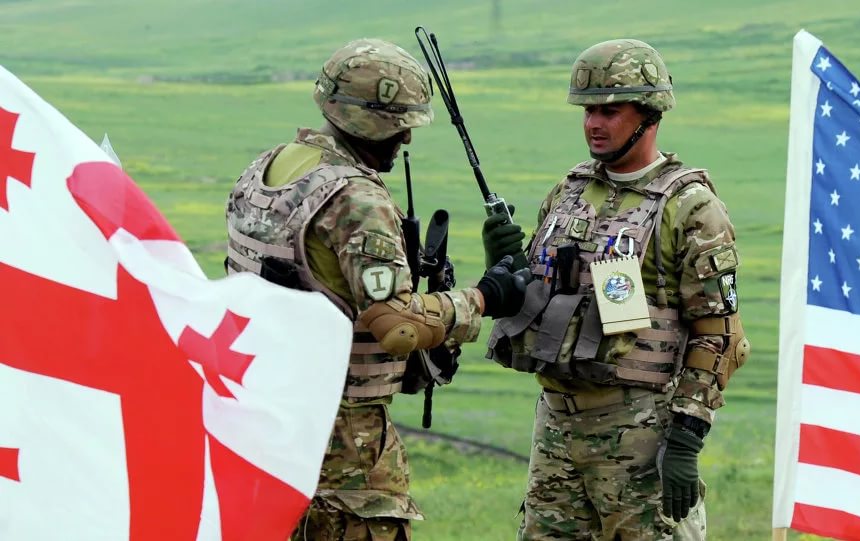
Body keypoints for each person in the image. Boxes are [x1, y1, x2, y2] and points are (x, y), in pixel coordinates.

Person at [225, 38, 527, 541]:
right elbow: (399, 328)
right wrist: (484, 297)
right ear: (368, 121)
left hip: (262, 419)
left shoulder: (267, 169)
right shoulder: (356, 198)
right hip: (343, 438)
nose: (406, 138)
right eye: (399, 124)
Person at [483, 39, 750, 540]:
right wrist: (502, 263)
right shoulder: (569, 193)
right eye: (588, 111)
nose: (594, 124)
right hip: (556, 428)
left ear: (649, 115)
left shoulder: (690, 208)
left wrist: (688, 435)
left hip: (640, 432)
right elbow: (541, 299)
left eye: (610, 111)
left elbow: (719, 335)